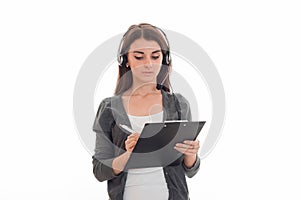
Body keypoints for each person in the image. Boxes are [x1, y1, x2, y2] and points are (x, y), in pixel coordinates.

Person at [92, 23, 201, 200]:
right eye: (139, 57)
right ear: (125, 60)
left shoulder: (179, 104)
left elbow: (190, 170)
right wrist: (130, 154)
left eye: (155, 56)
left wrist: (191, 153)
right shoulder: (109, 108)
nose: (148, 64)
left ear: (164, 60)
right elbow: (99, 171)